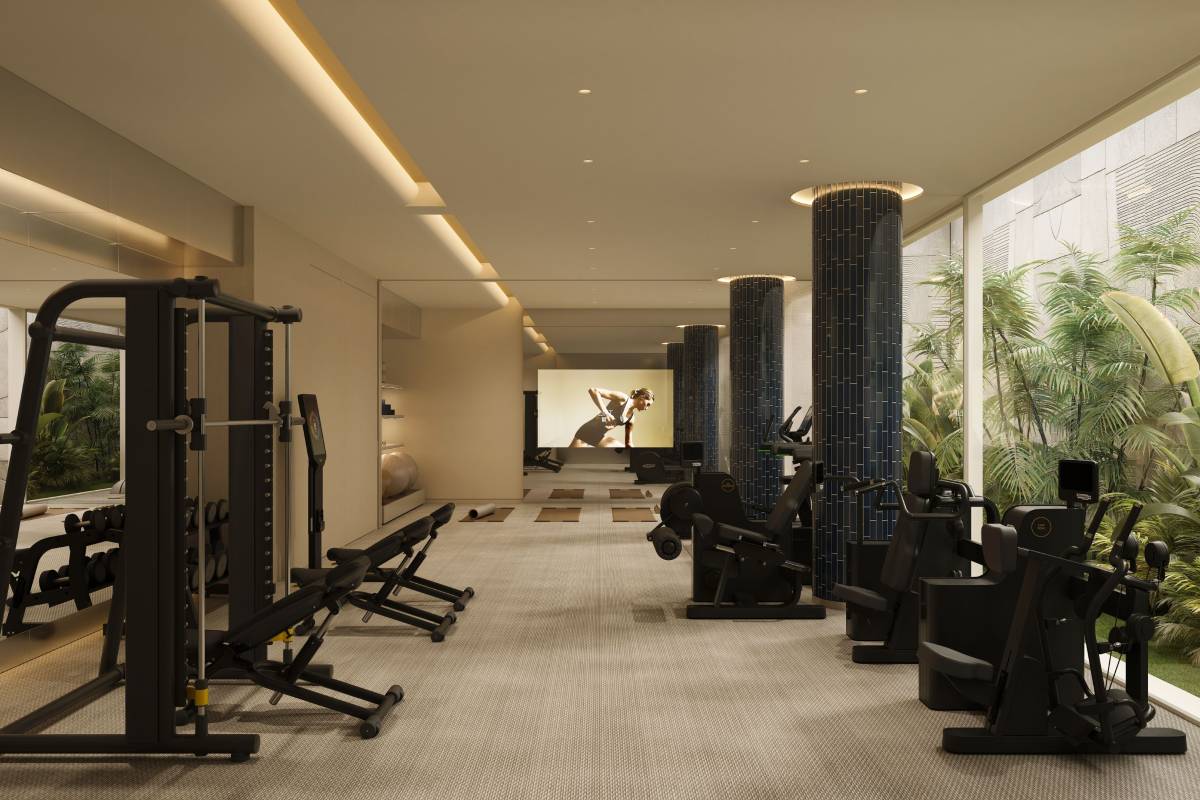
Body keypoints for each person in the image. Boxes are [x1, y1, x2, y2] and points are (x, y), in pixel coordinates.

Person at [570, 387, 654, 448]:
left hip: (599, 436)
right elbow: (593, 390)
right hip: (587, 432)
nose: (646, 408)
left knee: (623, 451)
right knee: (570, 459)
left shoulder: (631, 418)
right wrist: (605, 413)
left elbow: (629, 443)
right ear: (642, 397)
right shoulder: (623, 398)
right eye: (648, 404)